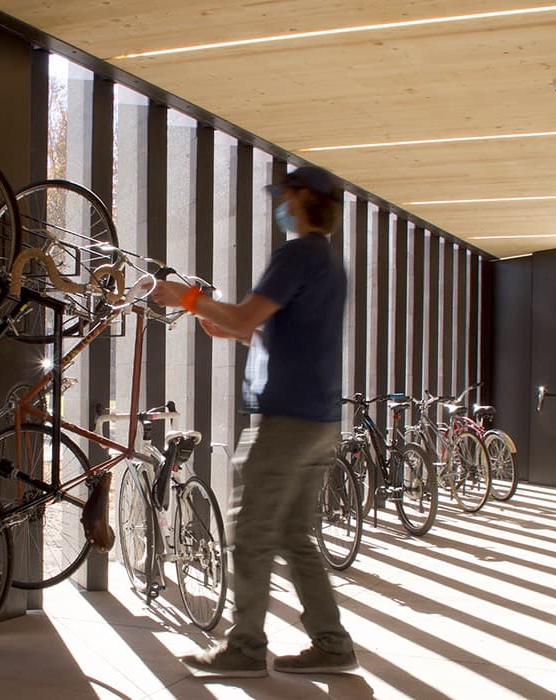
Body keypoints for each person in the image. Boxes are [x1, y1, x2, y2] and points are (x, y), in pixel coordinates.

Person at [151, 165, 356, 677]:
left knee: (251, 530)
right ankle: (332, 644)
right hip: (320, 419)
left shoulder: (297, 254)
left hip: (285, 418)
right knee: (294, 533)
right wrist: (235, 331)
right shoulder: (331, 264)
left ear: (303, 197)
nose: (278, 204)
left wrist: (186, 297)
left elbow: (245, 316)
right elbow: (280, 333)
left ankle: (244, 648)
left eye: (284, 195)